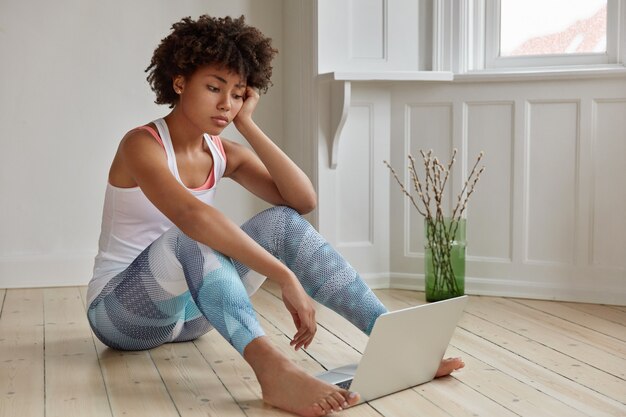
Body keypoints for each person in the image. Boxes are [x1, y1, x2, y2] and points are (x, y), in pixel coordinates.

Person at [86, 15, 464, 417]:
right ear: (179, 83)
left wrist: (247, 125)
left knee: (281, 221)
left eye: (237, 94)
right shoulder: (140, 145)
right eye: (214, 88)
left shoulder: (222, 152)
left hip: (197, 315)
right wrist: (284, 275)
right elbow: (192, 217)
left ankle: (398, 344)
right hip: (123, 315)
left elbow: (302, 200)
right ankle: (275, 372)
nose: (225, 104)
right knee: (191, 235)